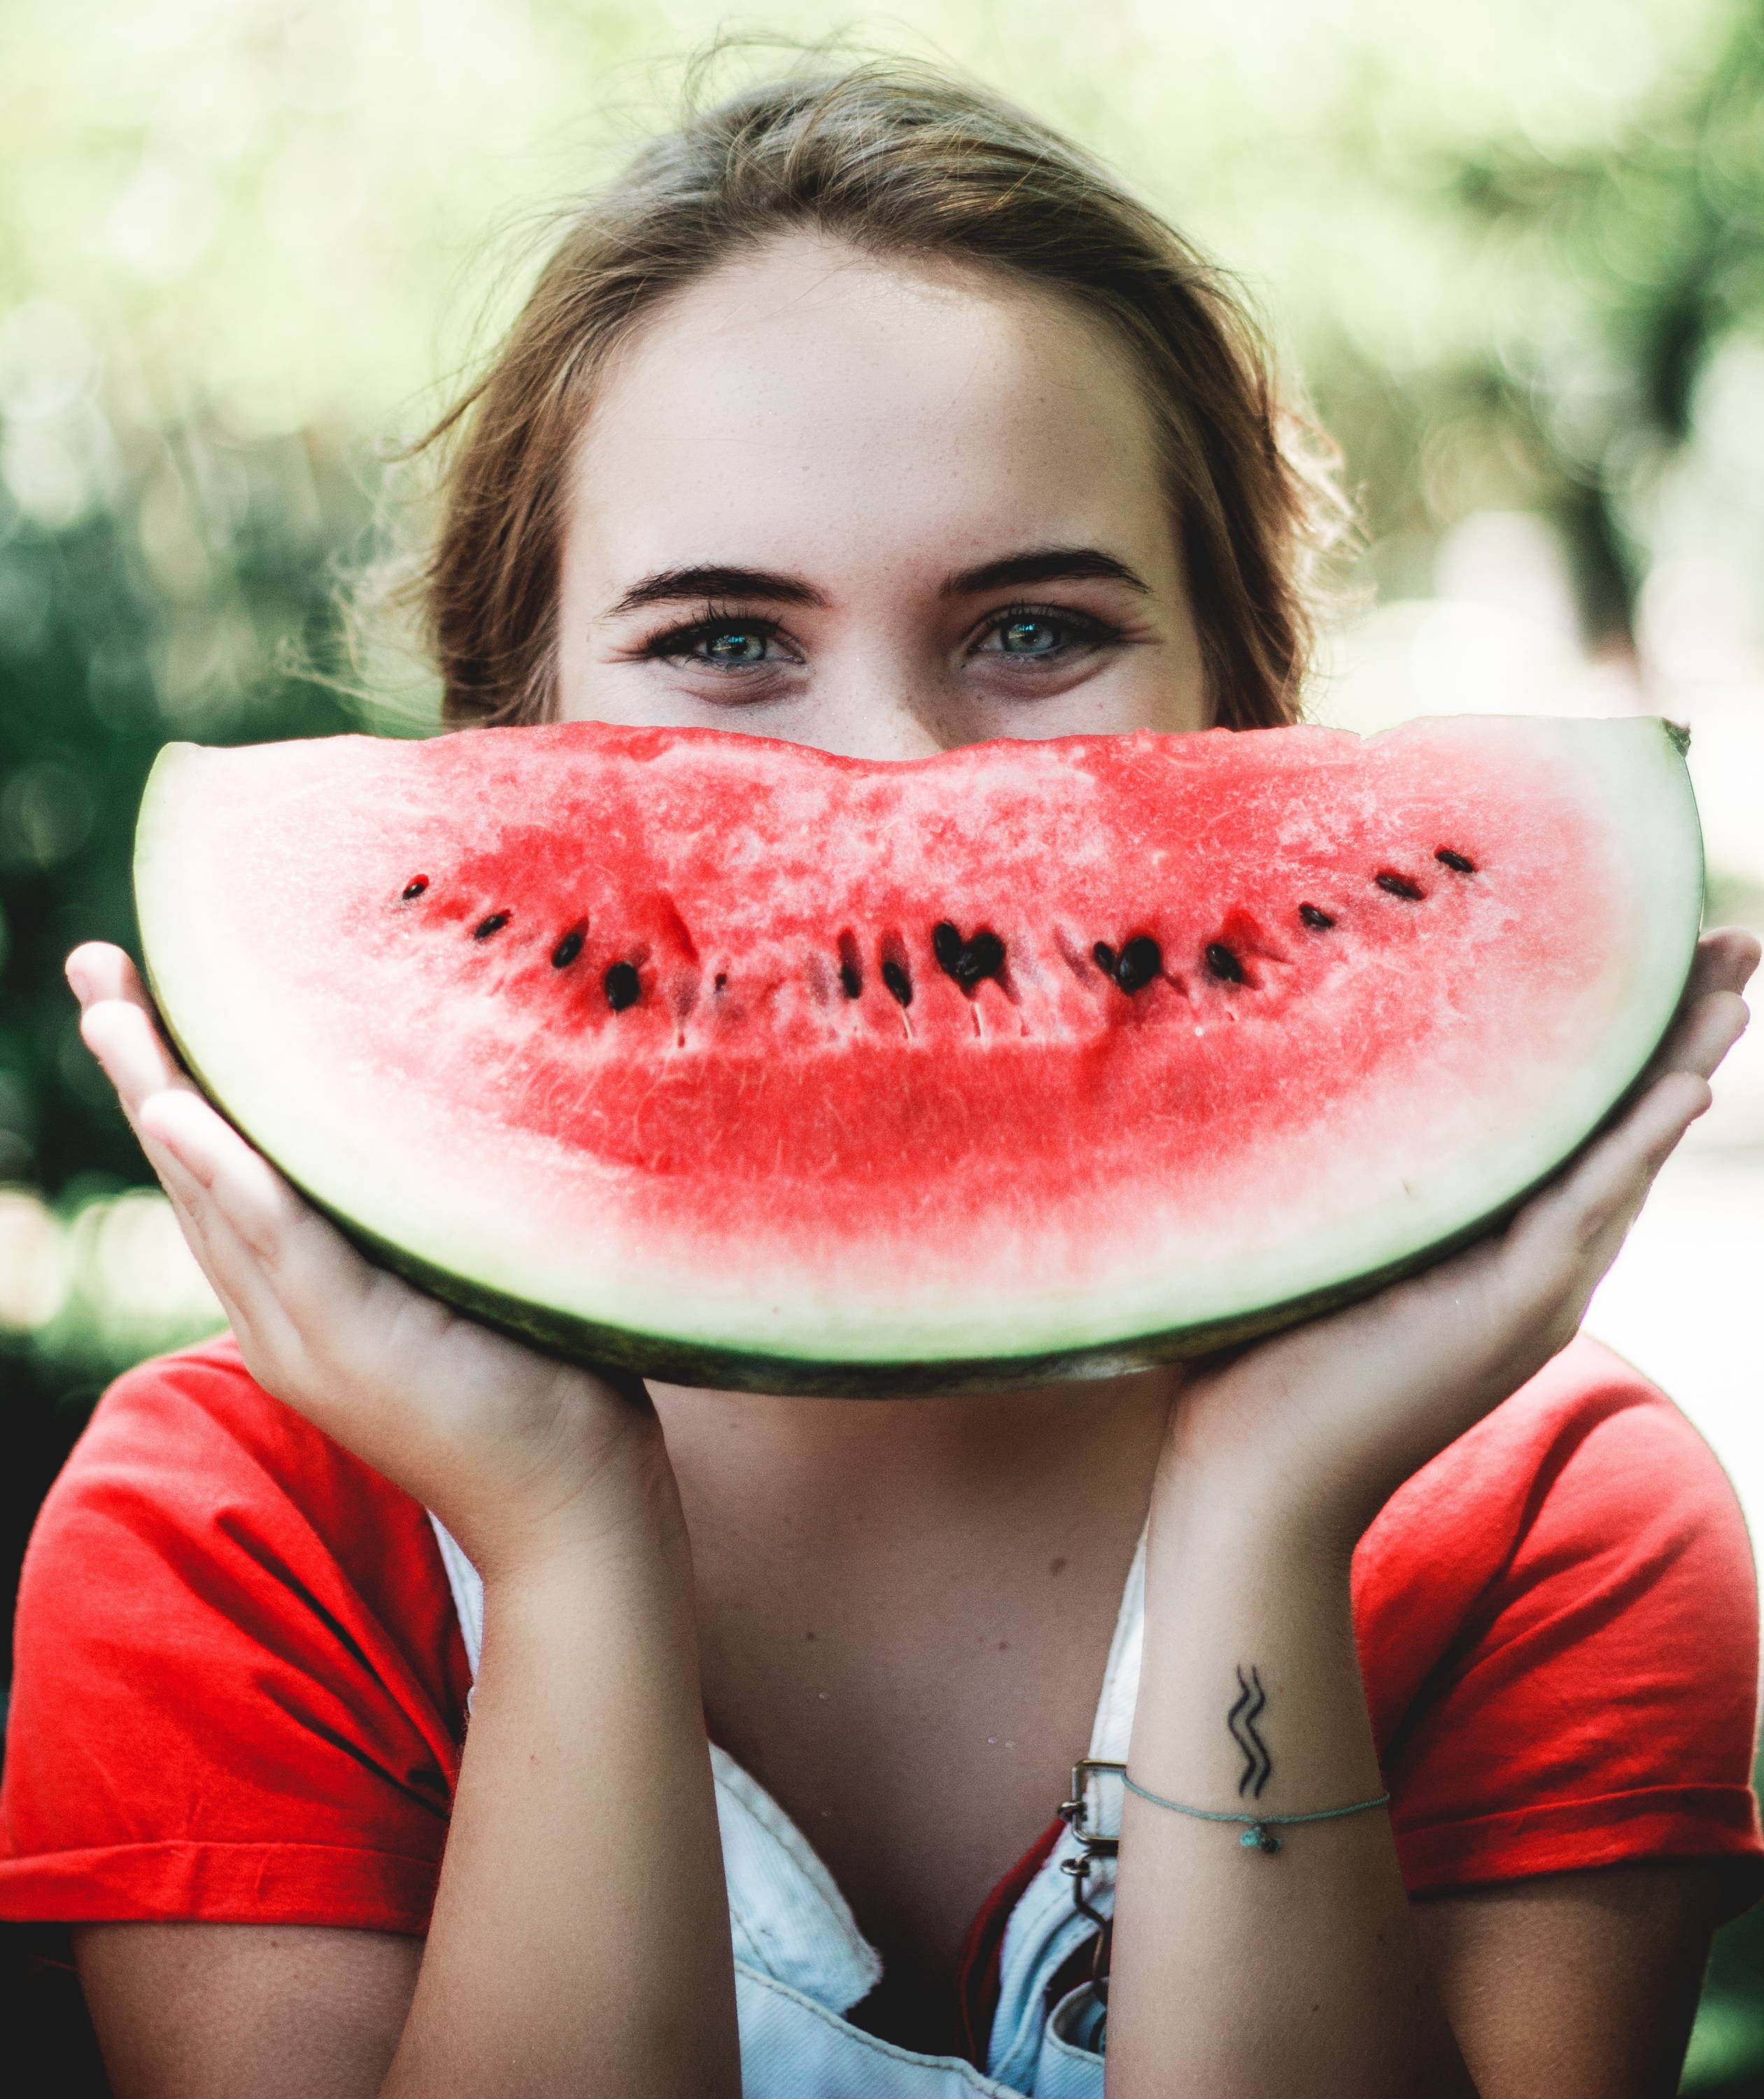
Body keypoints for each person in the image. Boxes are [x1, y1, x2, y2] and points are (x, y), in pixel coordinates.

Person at [2, 59, 1760, 2099]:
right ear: (510, 736)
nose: (893, 786)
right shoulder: (245, 1528)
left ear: (1243, 714)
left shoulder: (1543, 1518)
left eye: (1032, 626)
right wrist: (564, 1543)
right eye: (728, 642)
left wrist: (1264, 1514)